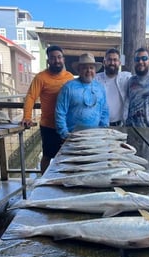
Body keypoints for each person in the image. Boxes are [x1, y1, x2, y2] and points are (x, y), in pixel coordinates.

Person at [22, 45, 74, 174]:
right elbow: (30, 97)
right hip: (49, 125)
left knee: (68, 156)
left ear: (63, 59)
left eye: (59, 57)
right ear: (48, 61)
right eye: (53, 58)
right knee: (47, 155)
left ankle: (63, 181)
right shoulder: (41, 77)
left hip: (67, 126)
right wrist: (27, 117)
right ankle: (42, 181)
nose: (56, 61)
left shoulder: (69, 77)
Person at [55, 53, 109, 140]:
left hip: (95, 137)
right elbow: (60, 112)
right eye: (85, 68)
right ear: (79, 70)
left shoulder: (100, 88)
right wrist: (64, 134)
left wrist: (104, 130)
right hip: (73, 137)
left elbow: (104, 111)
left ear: (95, 70)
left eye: (91, 68)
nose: (88, 70)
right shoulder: (68, 87)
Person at [95, 48, 131, 126]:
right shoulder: (95, 79)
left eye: (115, 60)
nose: (112, 63)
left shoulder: (126, 78)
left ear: (119, 63)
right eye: (109, 60)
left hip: (120, 125)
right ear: (104, 62)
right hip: (98, 125)